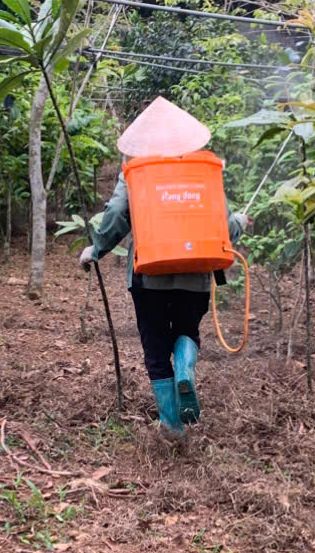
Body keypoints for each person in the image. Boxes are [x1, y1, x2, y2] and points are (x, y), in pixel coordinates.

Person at [79, 168, 249, 440]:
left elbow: (117, 213)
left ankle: (172, 428)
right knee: (187, 331)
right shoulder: (201, 170)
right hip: (195, 273)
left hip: (148, 273)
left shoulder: (138, 170)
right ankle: (184, 369)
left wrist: (97, 248)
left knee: (156, 351)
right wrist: (239, 221)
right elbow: (225, 226)